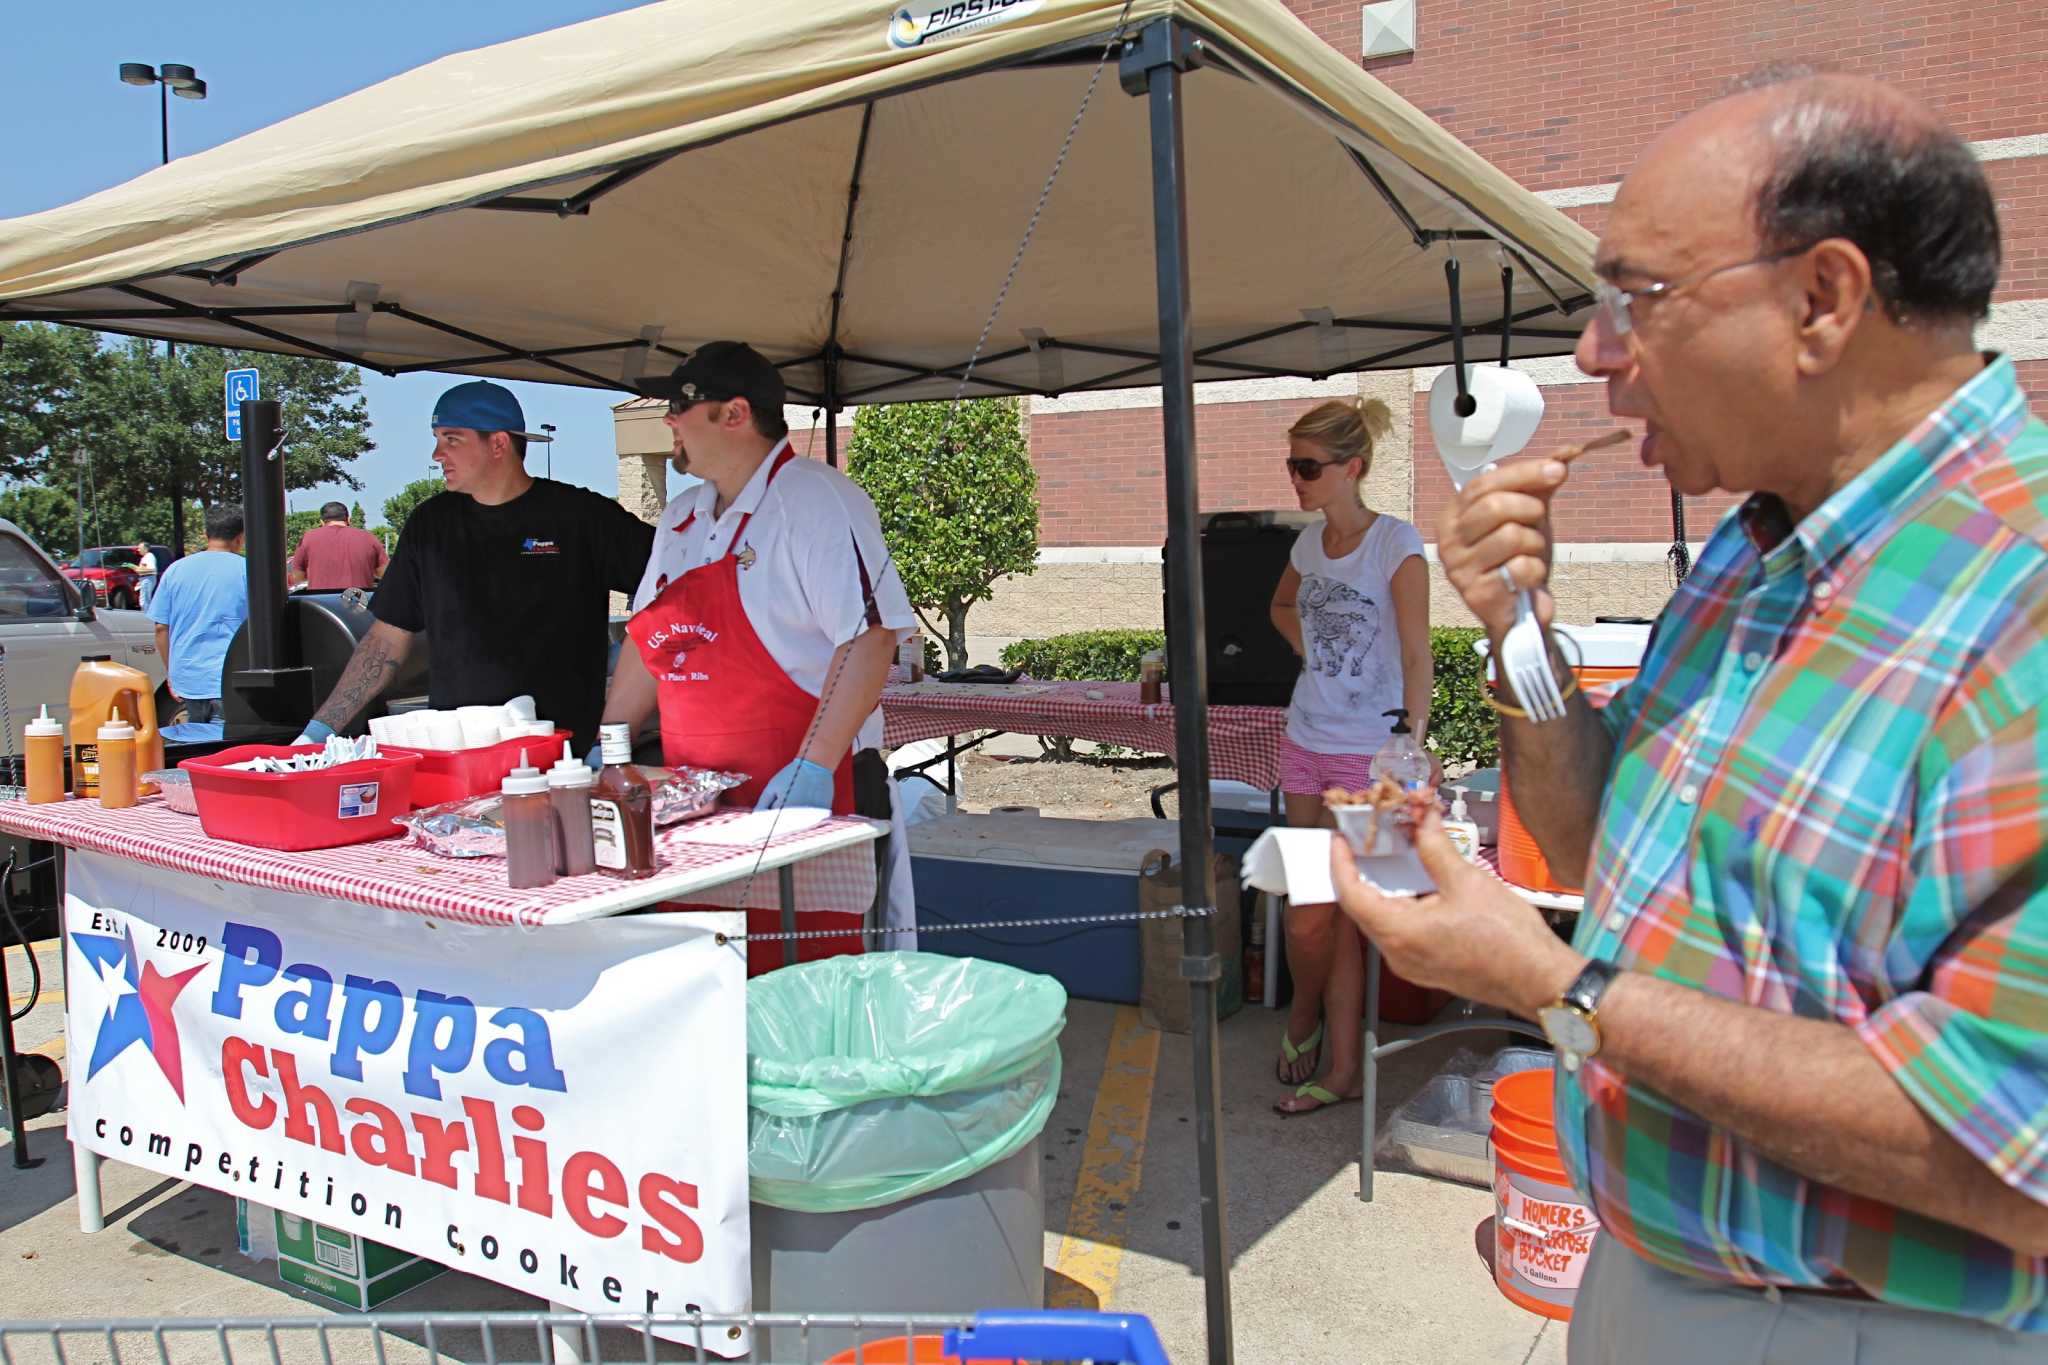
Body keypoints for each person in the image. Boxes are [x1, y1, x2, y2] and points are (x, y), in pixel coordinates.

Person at [1332, 71, 2047, 1359]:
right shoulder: (1746, 555)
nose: (1594, 354)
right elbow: (1604, 836)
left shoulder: (2021, 600)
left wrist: (1556, 988)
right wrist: (1515, 631)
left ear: (1821, 300)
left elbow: (2008, 1157)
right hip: (1655, 1279)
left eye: (1634, 299)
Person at [600, 340, 918, 952]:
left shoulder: (815, 499)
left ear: (735, 414)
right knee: (709, 969)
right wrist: (609, 746)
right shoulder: (681, 517)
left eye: (680, 409)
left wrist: (814, 765)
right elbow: (648, 641)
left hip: (807, 794)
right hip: (700, 806)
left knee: (814, 973)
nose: (667, 422)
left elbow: (871, 637)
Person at [297, 380, 654, 750]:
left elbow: (679, 586)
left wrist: (625, 672)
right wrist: (318, 731)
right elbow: (386, 639)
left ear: (498, 443)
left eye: (452, 439)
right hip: (459, 757)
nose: (437, 454)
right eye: (436, 439)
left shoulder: (582, 517)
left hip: (566, 756)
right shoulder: (430, 524)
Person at [1265, 397, 1432, 1117]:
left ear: (1351, 468)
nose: (1296, 479)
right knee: (1309, 912)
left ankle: (1339, 1068)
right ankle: (1305, 1011)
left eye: (1308, 466)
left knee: (1347, 910)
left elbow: (1420, 652)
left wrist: (1412, 742)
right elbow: (1280, 609)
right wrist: (1319, 653)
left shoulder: (1396, 543)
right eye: (1292, 464)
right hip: (1305, 740)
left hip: (1366, 755)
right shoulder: (1308, 548)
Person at [147, 506, 248, 726]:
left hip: (189, 680)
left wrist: (172, 675)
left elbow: (160, 628)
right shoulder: (249, 570)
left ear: (206, 534)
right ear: (241, 537)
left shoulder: (175, 571)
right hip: (232, 680)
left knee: (197, 745)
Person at [290, 500, 386, 591]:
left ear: (322, 522)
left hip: (321, 604)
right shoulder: (368, 537)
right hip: (359, 602)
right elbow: (385, 574)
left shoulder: (308, 538)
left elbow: (298, 577)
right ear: (348, 519)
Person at [132, 541, 158, 611]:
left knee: (145, 601)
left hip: (148, 579)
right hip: (145, 579)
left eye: (140, 548)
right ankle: (146, 614)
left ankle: (146, 615)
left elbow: (152, 569)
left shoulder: (149, 556)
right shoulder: (145, 557)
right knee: (144, 599)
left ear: (146, 549)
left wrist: (139, 570)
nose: (138, 550)